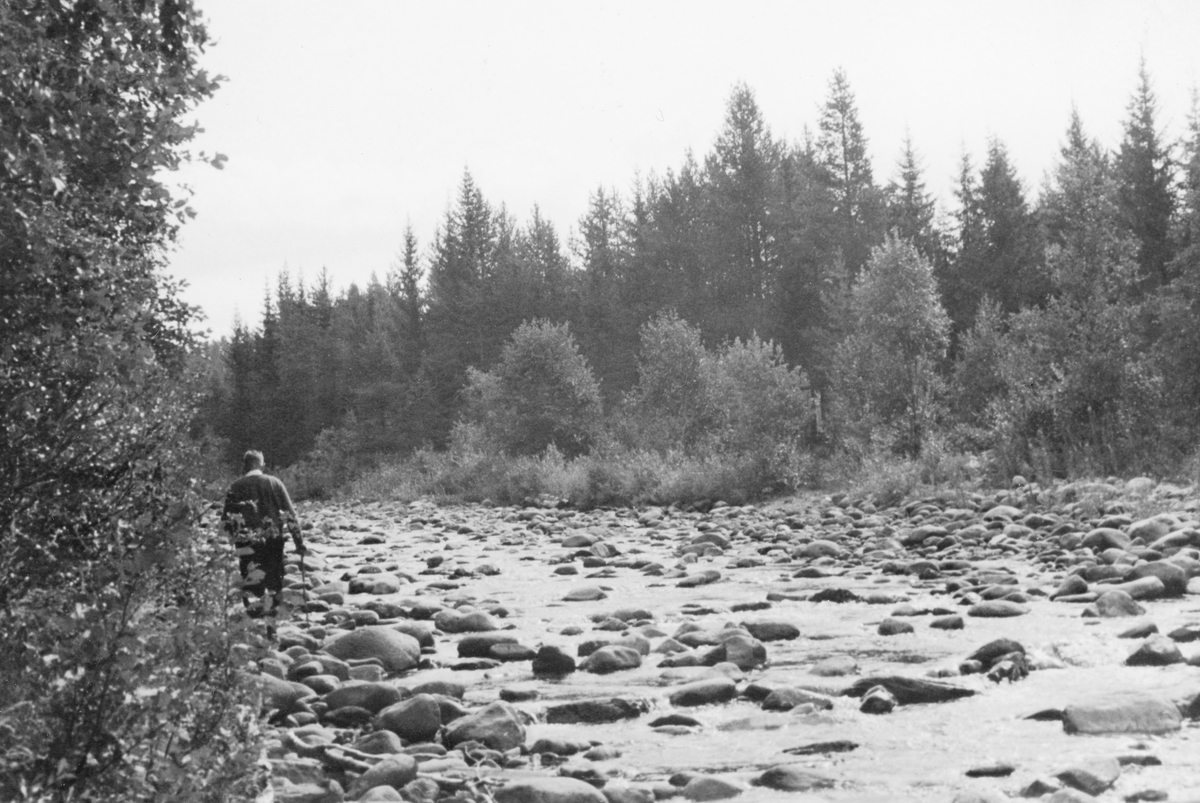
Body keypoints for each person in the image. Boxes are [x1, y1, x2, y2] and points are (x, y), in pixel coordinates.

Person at [222, 450, 307, 628]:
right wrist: (299, 542)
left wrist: (229, 543)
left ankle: (255, 626)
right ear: (262, 465)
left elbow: (226, 521)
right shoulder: (275, 483)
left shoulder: (236, 487)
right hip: (273, 541)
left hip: (247, 544)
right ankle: (272, 627)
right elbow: (290, 515)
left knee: (252, 583)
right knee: (274, 582)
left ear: (244, 466)